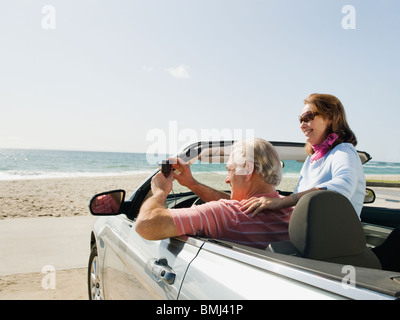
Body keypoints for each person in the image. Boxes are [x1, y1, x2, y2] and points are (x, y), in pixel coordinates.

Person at [135, 138, 293, 249]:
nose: (226, 180)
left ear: (247, 170)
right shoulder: (294, 210)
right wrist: (192, 184)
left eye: (230, 170)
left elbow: (146, 224)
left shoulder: (224, 214)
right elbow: (239, 206)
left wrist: (160, 192)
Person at [243, 93, 366, 218]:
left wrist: (282, 202)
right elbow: (298, 200)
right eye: (301, 119)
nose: (302, 125)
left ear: (330, 118)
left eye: (308, 117)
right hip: (308, 230)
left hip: (333, 234)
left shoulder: (343, 151)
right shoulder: (311, 159)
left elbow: (343, 186)